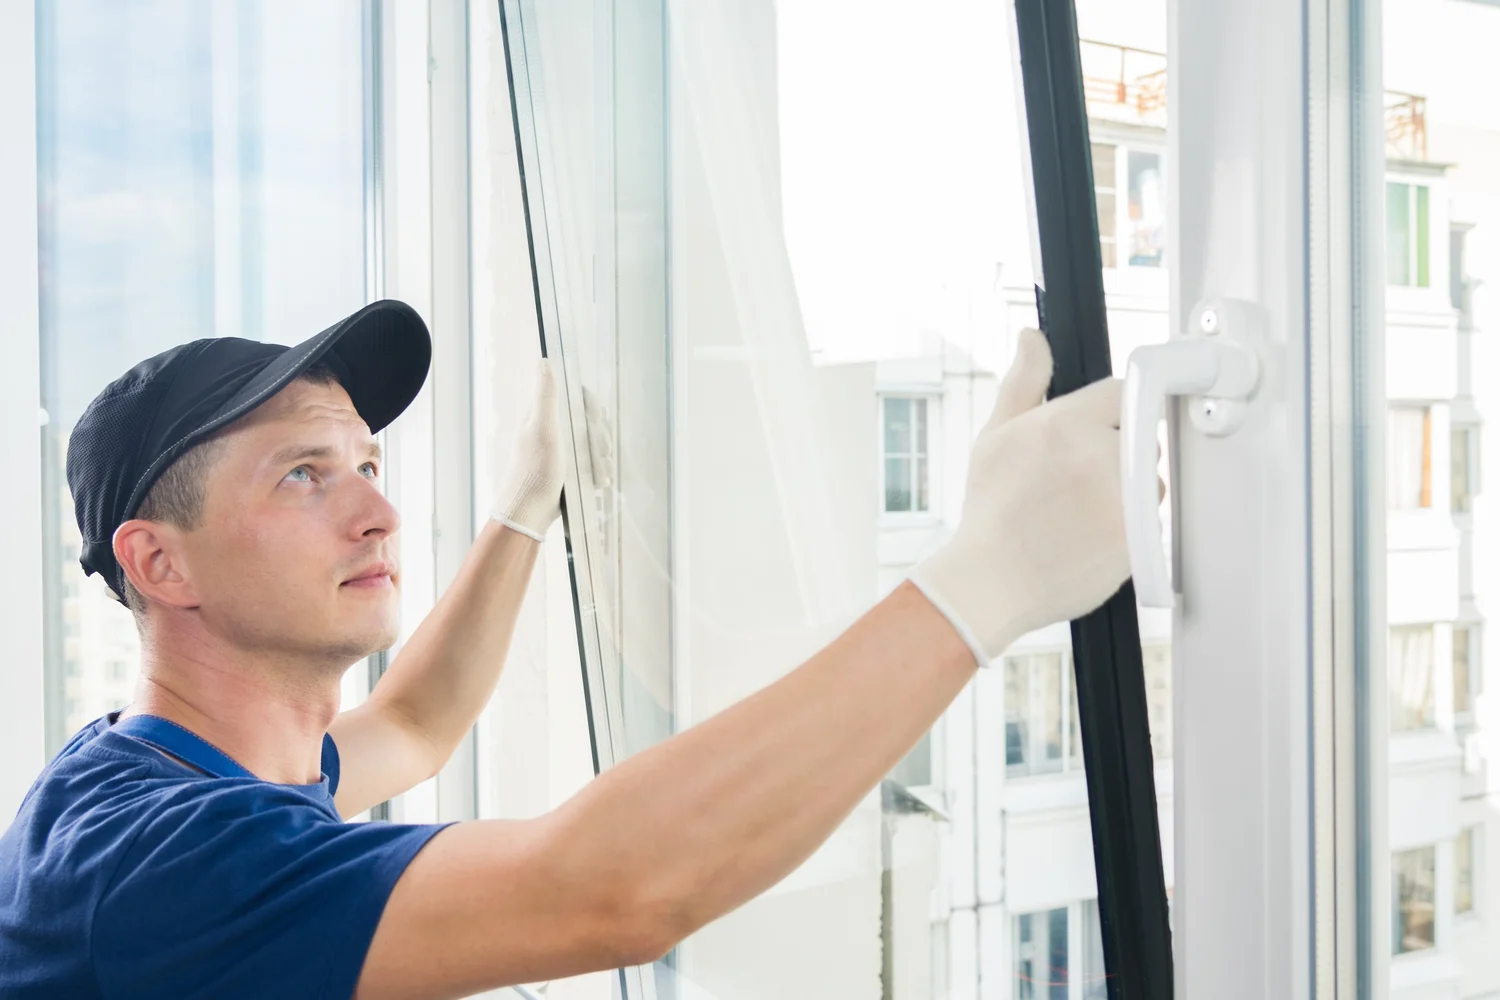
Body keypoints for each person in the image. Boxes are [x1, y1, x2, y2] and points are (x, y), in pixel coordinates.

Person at [0, 299, 1127, 999]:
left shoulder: (173, 770)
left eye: (369, 467)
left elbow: (413, 722)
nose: (377, 514)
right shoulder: (159, 865)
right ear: (159, 565)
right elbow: (612, 889)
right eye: (304, 474)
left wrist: (523, 509)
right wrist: (988, 579)